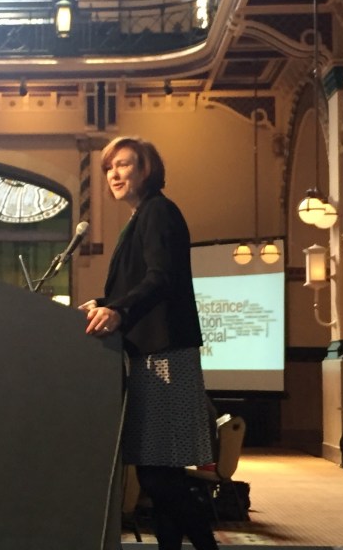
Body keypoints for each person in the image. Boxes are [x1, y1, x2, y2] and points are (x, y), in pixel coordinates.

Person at [78, 136, 217, 550]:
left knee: (158, 474)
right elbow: (140, 283)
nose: (115, 174)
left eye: (124, 165)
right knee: (161, 474)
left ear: (146, 170)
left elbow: (161, 278)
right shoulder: (141, 217)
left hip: (165, 355)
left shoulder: (158, 211)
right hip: (150, 354)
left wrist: (119, 311)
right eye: (109, 168)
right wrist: (105, 303)